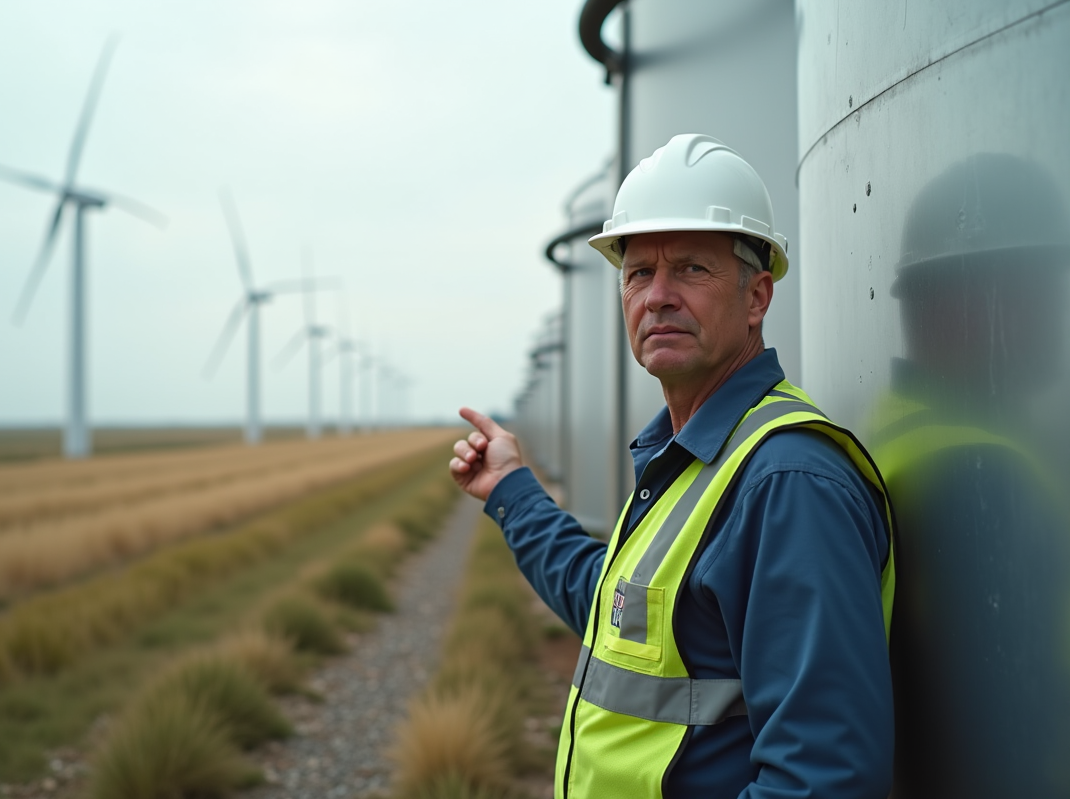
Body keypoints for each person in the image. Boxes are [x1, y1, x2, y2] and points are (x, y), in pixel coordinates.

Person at [450, 134, 896, 799]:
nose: (657, 296)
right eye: (638, 273)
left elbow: (821, 778)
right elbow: (618, 611)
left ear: (756, 298)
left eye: (691, 268)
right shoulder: (688, 459)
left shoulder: (787, 484)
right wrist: (512, 490)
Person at [870, 154, 1070, 799]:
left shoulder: (897, 430)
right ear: (961, 302)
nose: (1053, 312)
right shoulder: (979, 473)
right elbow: (997, 737)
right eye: (1037, 285)